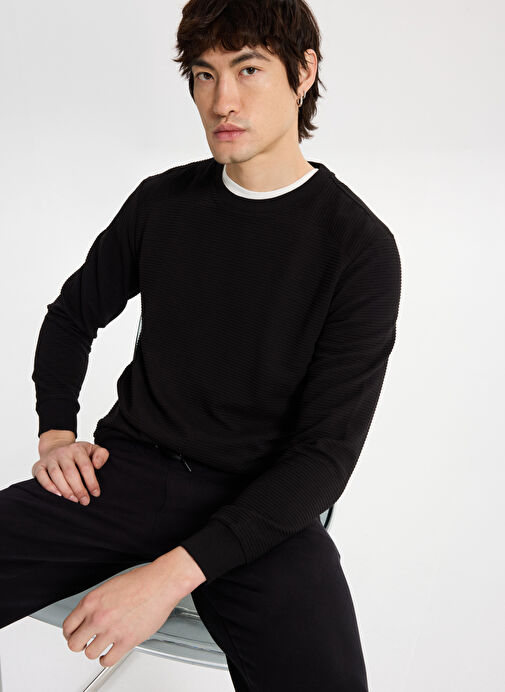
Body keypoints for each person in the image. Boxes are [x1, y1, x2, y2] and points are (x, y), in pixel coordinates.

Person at [0, 1, 402, 690]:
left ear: (304, 72)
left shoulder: (358, 248)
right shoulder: (163, 204)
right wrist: (55, 434)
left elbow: (323, 457)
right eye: (204, 74)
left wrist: (163, 580)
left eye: (249, 70)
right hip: (124, 476)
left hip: (262, 510)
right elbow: (70, 318)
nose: (222, 101)